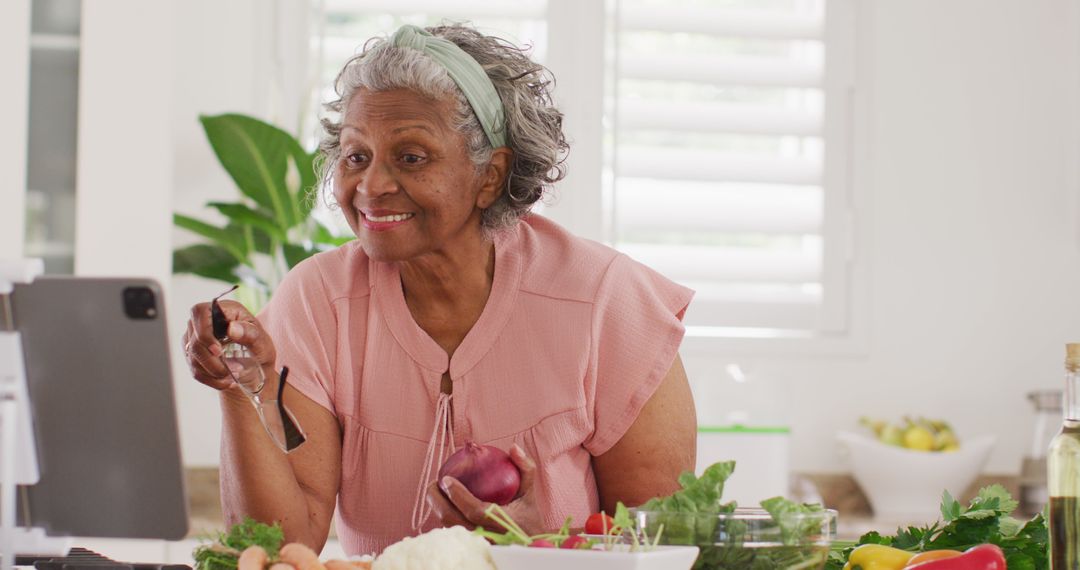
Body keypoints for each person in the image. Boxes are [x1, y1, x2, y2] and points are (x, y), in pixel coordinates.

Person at [182, 23, 697, 556]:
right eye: (357, 156)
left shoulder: (606, 302)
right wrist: (244, 389)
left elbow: (663, 547)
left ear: (491, 175)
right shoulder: (317, 302)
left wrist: (534, 548)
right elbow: (281, 550)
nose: (372, 186)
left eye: (411, 157)